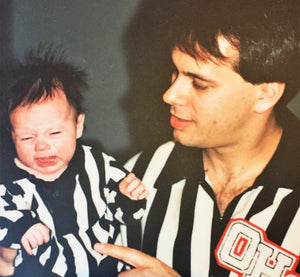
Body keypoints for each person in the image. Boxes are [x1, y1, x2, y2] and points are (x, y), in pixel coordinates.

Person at [94, 0, 300, 276]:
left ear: (265, 94)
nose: (170, 95)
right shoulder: (137, 176)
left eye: (199, 83)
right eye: (175, 72)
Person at [0, 46, 148, 277]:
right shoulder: (9, 181)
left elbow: (125, 215)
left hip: (105, 267)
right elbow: (3, 217)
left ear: (78, 126)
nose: (41, 146)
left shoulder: (98, 164)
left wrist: (128, 196)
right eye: (27, 137)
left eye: (54, 133)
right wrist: (22, 227)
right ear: (12, 136)